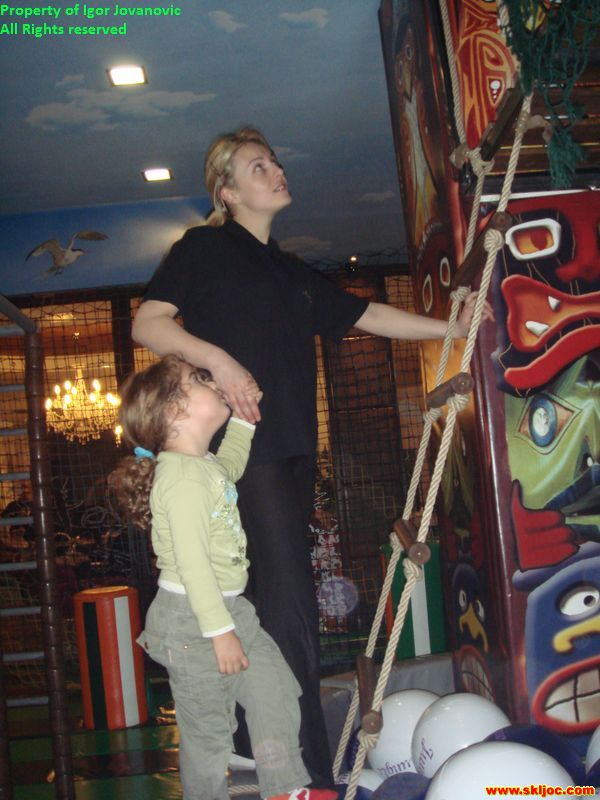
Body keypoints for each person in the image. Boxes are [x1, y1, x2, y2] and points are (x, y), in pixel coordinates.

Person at [132, 126, 482, 788]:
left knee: (267, 601)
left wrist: (451, 329)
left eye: (275, 161)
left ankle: (252, 745)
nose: (276, 170)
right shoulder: (203, 248)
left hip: (292, 446)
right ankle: (307, 772)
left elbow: (368, 316)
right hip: (247, 450)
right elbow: (147, 323)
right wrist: (219, 362)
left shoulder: (288, 271)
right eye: (257, 166)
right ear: (227, 192)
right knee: (291, 605)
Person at [109, 353, 338, 800]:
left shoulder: (201, 466)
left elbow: (229, 468)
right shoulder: (181, 481)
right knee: (209, 731)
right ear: (174, 410)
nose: (214, 383)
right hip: (193, 622)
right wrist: (220, 633)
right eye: (199, 379)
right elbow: (193, 564)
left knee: (273, 689)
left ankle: (284, 787)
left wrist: (244, 421)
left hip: (230, 611)